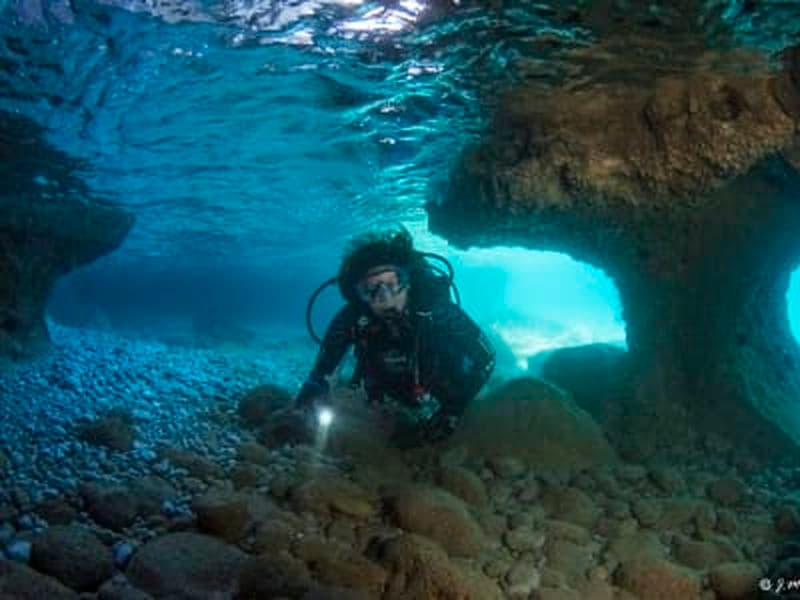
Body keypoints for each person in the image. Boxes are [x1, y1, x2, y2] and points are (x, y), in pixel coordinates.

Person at [294, 225, 496, 444]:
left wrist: (453, 410)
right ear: (357, 294)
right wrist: (308, 399)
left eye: (392, 283)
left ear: (408, 282)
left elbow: (486, 358)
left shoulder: (438, 311)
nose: (385, 297)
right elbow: (321, 373)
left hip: (440, 379)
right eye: (370, 289)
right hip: (384, 391)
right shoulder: (351, 318)